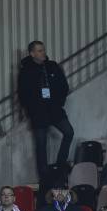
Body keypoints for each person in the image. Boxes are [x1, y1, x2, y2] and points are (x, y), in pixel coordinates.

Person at [17, 40, 73, 185]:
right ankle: (44, 176)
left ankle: (61, 164)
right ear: (32, 53)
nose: (43, 53)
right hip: (38, 113)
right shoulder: (26, 71)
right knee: (41, 144)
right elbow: (22, 93)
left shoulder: (52, 66)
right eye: (40, 51)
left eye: (43, 50)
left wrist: (58, 103)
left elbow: (63, 86)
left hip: (54, 109)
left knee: (69, 132)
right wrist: (31, 110)